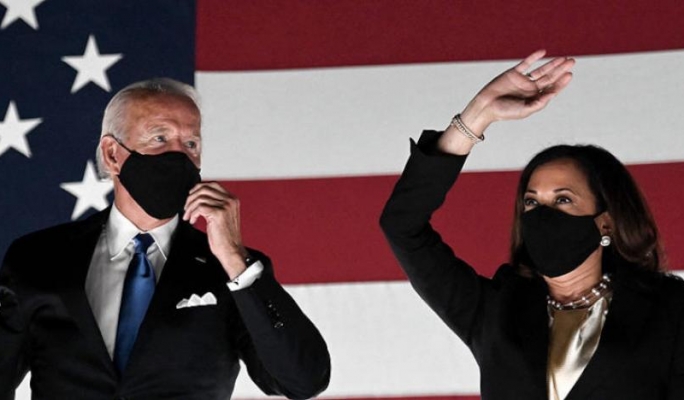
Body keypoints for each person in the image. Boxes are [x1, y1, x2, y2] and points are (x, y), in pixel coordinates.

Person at [380, 50, 684, 400]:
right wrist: (478, 115)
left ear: (606, 223)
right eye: (531, 202)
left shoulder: (670, 310)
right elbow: (402, 224)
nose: (542, 214)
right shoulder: (497, 311)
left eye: (563, 200)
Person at [0, 78, 330, 400]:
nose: (179, 155)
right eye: (159, 138)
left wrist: (234, 257)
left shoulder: (231, 269)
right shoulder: (37, 258)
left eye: (191, 144)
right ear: (112, 154)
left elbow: (303, 381)